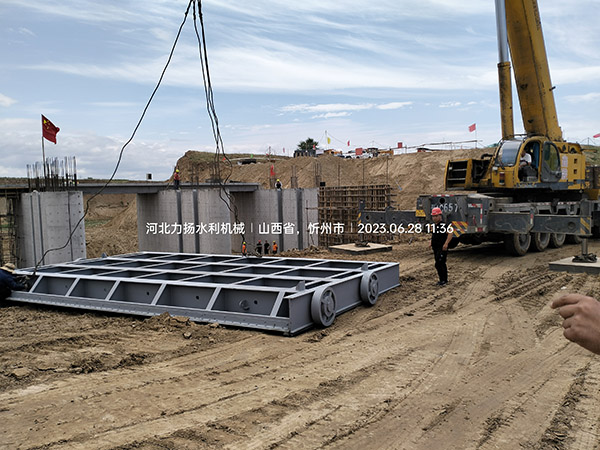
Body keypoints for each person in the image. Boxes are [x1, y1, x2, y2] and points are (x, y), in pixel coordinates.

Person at [430, 207, 453, 286]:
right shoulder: (434, 225)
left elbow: (450, 233)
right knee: (437, 263)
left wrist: (446, 243)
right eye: (433, 216)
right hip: (435, 247)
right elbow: (434, 235)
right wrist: (431, 242)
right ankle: (441, 280)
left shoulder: (444, 225)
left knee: (440, 263)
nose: (434, 218)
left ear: (440, 216)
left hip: (442, 247)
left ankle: (444, 280)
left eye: (436, 216)